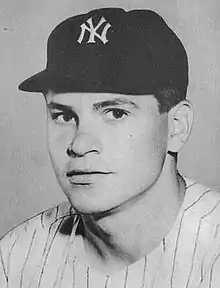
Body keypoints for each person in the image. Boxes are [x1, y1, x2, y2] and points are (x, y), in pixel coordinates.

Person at [0, 7, 220, 288]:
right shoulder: (14, 259)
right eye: (64, 116)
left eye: (116, 113)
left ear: (176, 126)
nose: (79, 145)